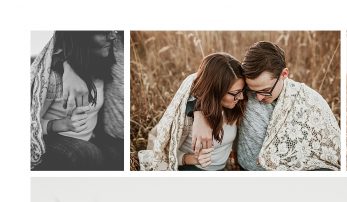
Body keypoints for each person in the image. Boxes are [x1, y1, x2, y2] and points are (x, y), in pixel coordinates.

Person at [189, 40, 341, 171]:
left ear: (284, 74)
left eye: (266, 91)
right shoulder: (242, 89)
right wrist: (199, 111)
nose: (260, 97)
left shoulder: (310, 102)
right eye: (253, 91)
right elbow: (204, 82)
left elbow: (330, 157)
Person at [31, 31, 123, 170]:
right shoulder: (53, 78)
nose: (112, 37)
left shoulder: (100, 68)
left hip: (89, 139)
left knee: (117, 155)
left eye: (112, 31)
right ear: (81, 38)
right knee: (89, 153)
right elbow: (30, 124)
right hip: (54, 141)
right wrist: (57, 125)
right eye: (103, 33)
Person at [138, 53, 246, 171]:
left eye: (242, 91)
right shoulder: (186, 115)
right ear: (216, 90)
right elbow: (159, 147)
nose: (240, 97)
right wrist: (190, 158)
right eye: (235, 93)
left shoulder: (233, 106)